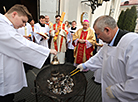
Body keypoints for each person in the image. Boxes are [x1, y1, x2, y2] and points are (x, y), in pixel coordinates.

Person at [0, 4, 57, 102]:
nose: (23, 25)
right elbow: (20, 44)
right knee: (4, 95)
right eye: (23, 21)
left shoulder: (7, 25)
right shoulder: (2, 26)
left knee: (8, 94)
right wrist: (47, 51)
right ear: (14, 14)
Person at [76, 15, 138, 102]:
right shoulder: (108, 43)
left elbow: (136, 82)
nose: (97, 38)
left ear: (107, 30)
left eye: (98, 34)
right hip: (108, 93)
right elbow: (99, 57)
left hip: (124, 96)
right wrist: (85, 65)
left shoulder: (133, 43)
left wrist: (115, 91)